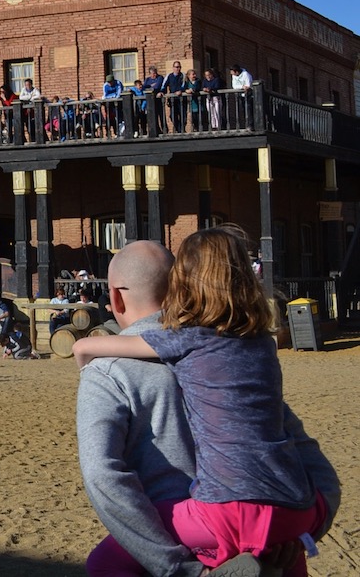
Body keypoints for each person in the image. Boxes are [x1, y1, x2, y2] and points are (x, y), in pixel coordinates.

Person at [75, 227, 333, 575]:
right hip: (279, 526)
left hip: (193, 528)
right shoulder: (247, 351)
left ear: (116, 298)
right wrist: (311, 520)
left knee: (103, 564)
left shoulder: (109, 371)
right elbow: (298, 442)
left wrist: (178, 568)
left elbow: (103, 475)